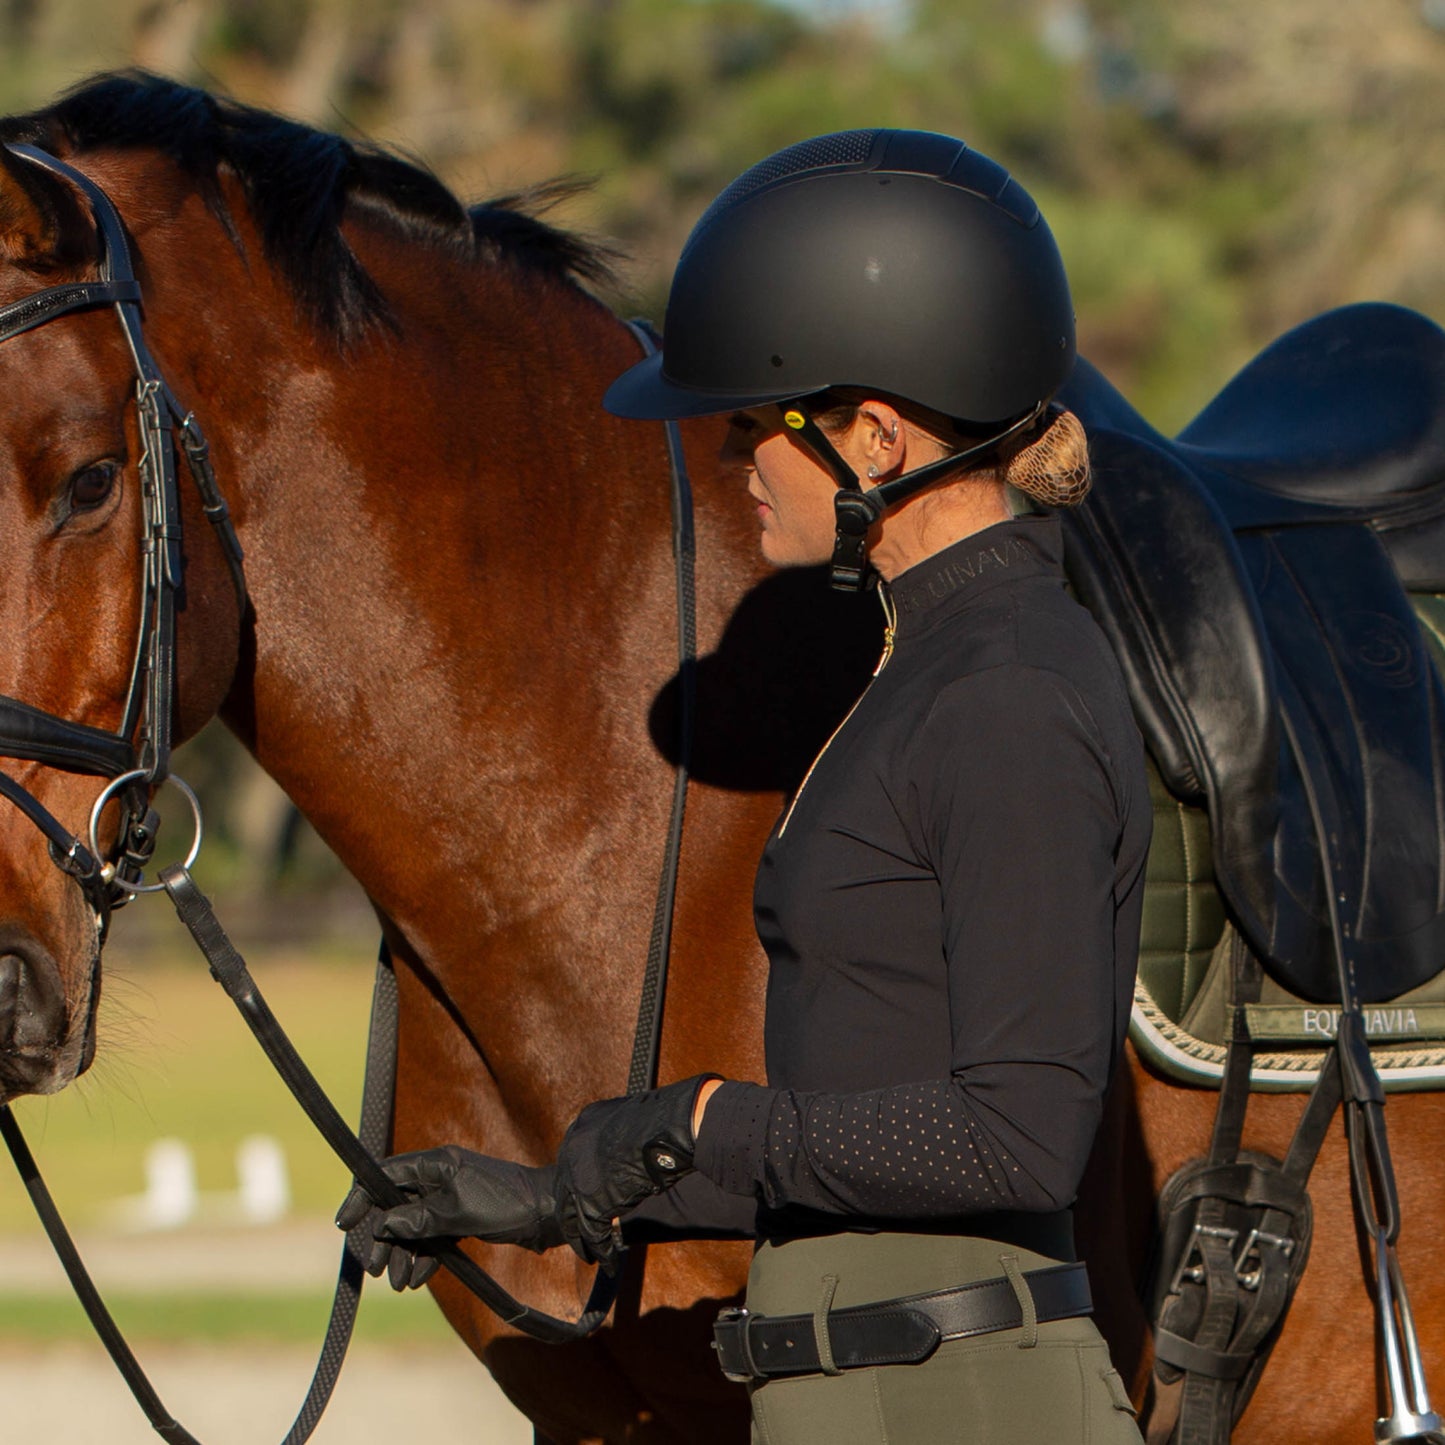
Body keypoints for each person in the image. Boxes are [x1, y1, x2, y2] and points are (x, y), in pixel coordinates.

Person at [338, 129, 1151, 1443]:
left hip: (963, 1406)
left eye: (748, 427)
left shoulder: (1010, 694)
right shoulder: (920, 666)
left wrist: (696, 1122)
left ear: (875, 438)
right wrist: (553, 1189)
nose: (727, 462)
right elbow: (860, 1117)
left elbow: (1013, 1138)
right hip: (857, 1392)